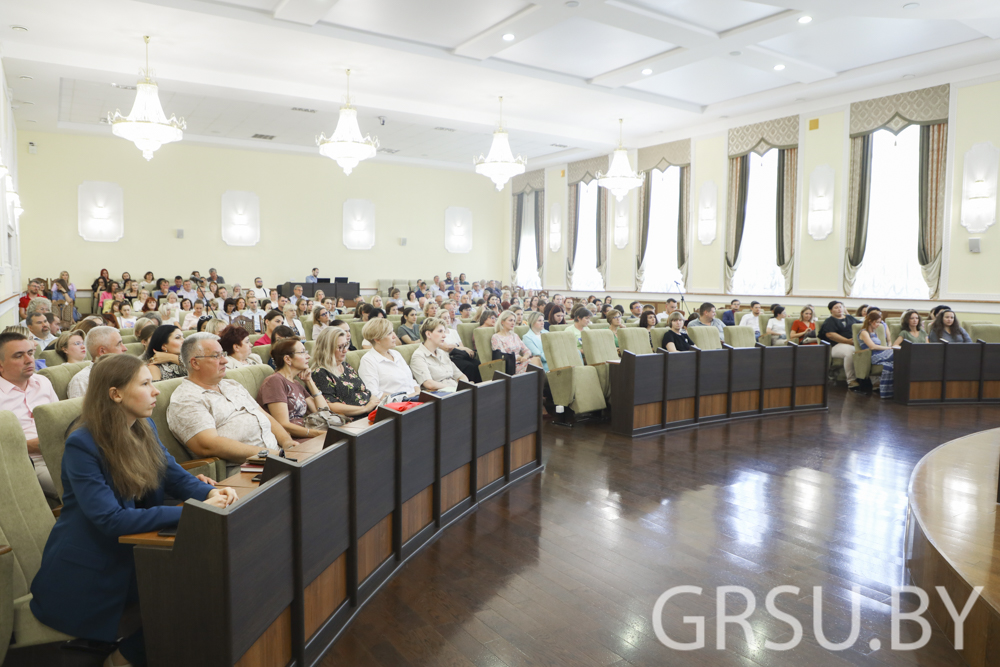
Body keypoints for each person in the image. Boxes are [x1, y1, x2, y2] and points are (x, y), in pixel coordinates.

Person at [29, 354, 238, 667]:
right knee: (190, 601)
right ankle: (122, 658)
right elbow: (110, 520)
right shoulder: (82, 443)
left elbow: (175, 476)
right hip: (91, 570)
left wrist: (211, 492)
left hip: (136, 550)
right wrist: (195, 511)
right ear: (116, 394)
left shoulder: (144, 425)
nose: (156, 391)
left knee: (206, 593)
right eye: (145, 384)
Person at [167, 333, 295, 474]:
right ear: (195, 363)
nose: (225, 361)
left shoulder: (231, 385)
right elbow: (208, 445)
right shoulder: (186, 399)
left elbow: (264, 416)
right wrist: (269, 455)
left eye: (224, 354)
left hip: (276, 456)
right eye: (216, 356)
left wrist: (287, 443)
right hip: (243, 469)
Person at [0, 331, 59, 499]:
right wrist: (27, 446)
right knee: (78, 485)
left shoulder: (43, 382)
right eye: (19, 356)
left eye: (30, 353)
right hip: (27, 461)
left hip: (62, 450)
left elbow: (57, 419)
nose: (29, 360)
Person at [257, 339, 328, 440]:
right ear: (287, 359)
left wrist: (309, 381)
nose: (308, 356)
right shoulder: (275, 381)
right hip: (293, 439)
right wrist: (319, 434)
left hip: (308, 433)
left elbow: (324, 412)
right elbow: (283, 424)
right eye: (302, 352)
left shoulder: (296, 383)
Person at [310, 327, 382, 419]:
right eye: (340, 347)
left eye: (346, 345)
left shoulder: (346, 366)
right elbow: (330, 405)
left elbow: (364, 390)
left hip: (370, 412)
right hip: (353, 419)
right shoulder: (320, 373)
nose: (345, 350)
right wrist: (365, 408)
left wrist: (374, 400)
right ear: (327, 349)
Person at [358, 318, 420, 399]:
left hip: (414, 399)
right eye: (389, 333)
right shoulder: (368, 360)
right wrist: (406, 397)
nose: (394, 336)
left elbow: (410, 380)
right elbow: (373, 393)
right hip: (394, 406)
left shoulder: (396, 354)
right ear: (377, 339)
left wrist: (417, 392)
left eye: (393, 331)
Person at [68, 326, 129, 399]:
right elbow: (80, 410)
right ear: (102, 351)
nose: (125, 348)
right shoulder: (82, 381)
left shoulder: (127, 372)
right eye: (119, 344)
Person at [410, 317, 468, 391]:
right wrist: (454, 389)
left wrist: (465, 387)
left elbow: (461, 375)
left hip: (456, 390)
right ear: (428, 334)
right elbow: (429, 384)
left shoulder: (441, 352)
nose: (444, 335)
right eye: (440, 331)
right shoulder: (419, 356)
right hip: (442, 394)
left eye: (444, 331)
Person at [819, 301, 859, 389]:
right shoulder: (830, 321)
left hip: (854, 343)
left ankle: (872, 380)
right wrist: (847, 341)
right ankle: (851, 380)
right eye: (836, 307)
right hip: (836, 346)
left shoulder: (850, 318)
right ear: (831, 310)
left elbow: (860, 326)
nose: (839, 309)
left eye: (840, 307)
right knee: (850, 352)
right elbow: (830, 334)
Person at [858, 311, 895, 398]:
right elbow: (873, 347)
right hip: (873, 356)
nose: (879, 324)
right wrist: (889, 348)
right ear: (870, 321)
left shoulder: (875, 332)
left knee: (895, 362)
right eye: (877, 322)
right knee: (896, 352)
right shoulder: (864, 332)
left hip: (881, 354)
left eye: (880, 322)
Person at [492, 310, 532, 375]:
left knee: (536, 360)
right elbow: (503, 356)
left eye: (514, 320)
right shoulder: (496, 337)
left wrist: (525, 357)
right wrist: (519, 358)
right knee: (534, 363)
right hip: (511, 366)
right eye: (510, 320)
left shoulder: (515, 335)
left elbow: (527, 350)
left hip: (521, 362)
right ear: (502, 322)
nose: (513, 323)